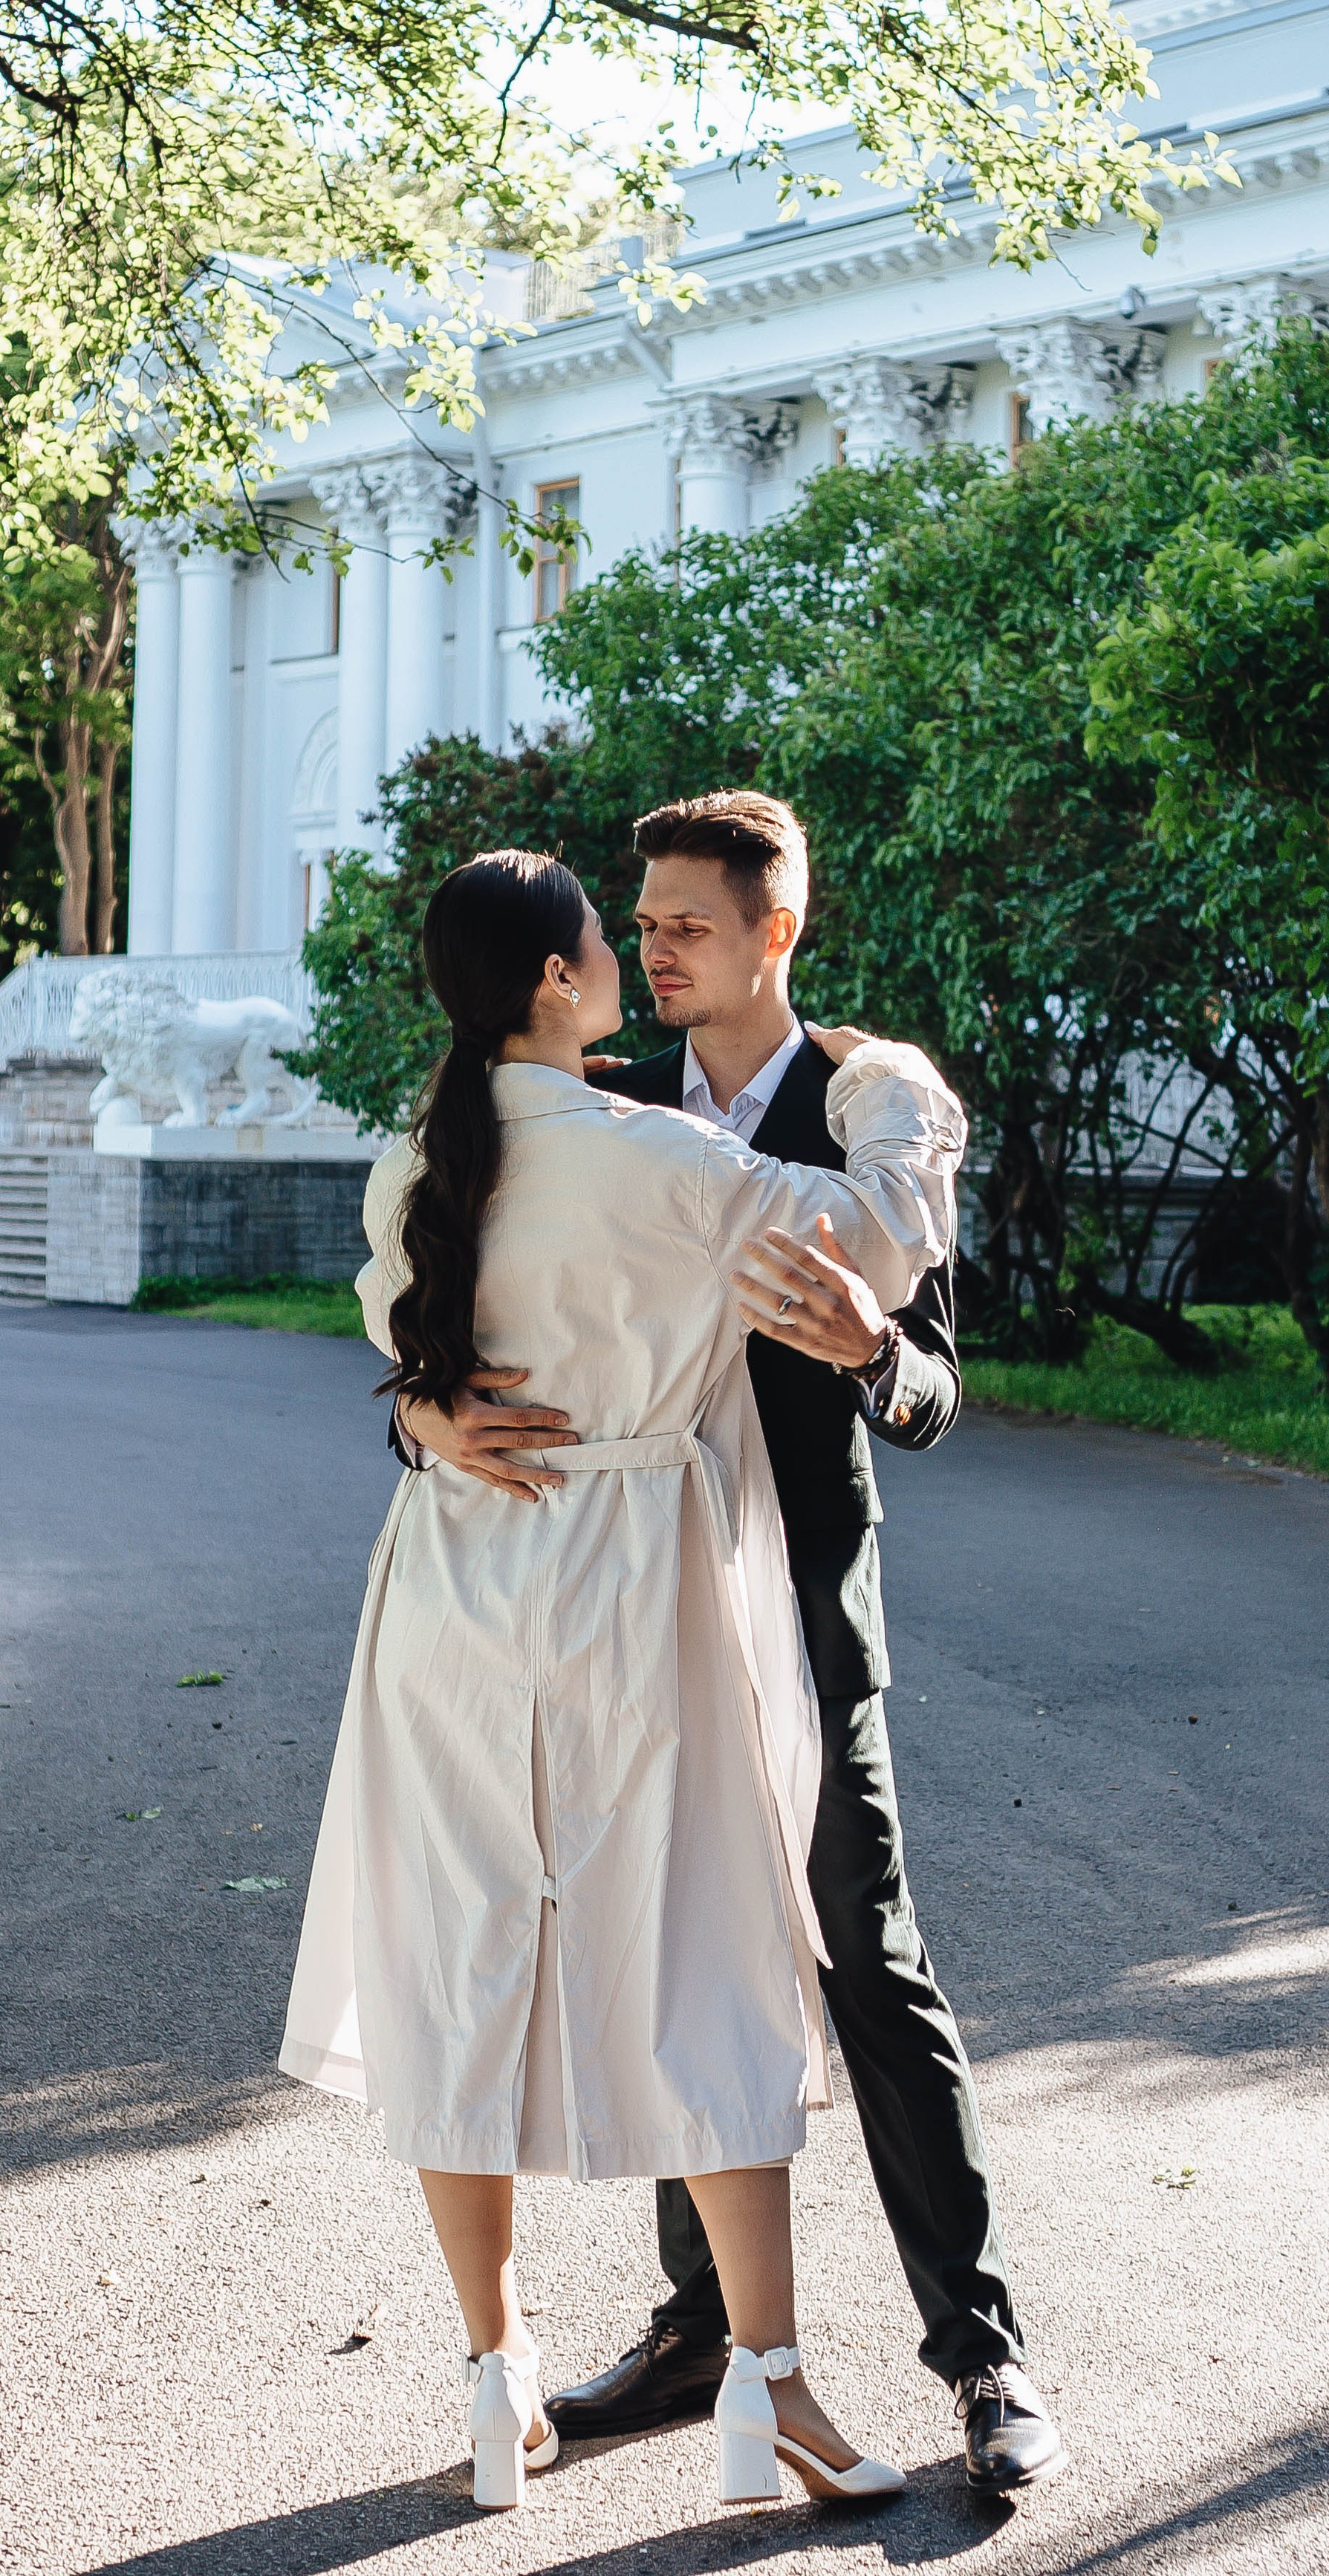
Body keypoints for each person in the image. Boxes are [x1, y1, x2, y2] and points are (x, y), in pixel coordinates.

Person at [279, 847, 966, 2513]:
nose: (631, 957)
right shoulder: (664, 1165)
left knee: (458, 1964)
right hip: (638, 1592)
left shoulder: (412, 1172)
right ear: (553, 985)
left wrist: (425, 1409)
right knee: (715, 1958)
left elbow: (406, 1341)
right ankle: (767, 2386)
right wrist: (900, 1093)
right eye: (610, 938)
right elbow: (870, 1239)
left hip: (454, 1589)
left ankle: (493, 2378)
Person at [400, 791, 1068, 2495]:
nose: (662, 945)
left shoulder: (853, 1103)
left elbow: (928, 1379)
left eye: (690, 921)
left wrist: (870, 1356)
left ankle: (980, 2361)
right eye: (645, 922)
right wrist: (414, 1415)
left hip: (788, 1596)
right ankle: (706, 2338)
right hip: (614, 1602)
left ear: (778, 928)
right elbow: (457, 1287)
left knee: (859, 1951)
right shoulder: (602, 1104)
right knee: (654, 1930)